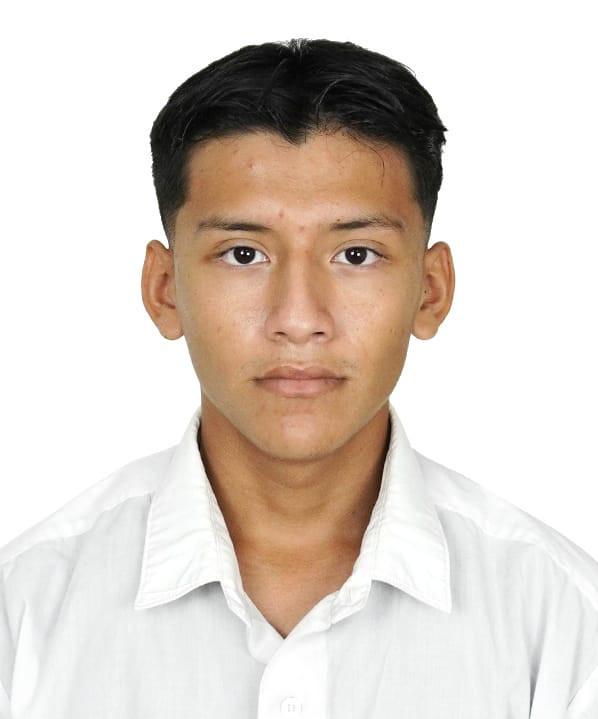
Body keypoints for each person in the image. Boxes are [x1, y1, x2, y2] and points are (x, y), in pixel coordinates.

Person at [0, 37, 596, 719]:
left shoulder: (564, 626)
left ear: (430, 291)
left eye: (356, 254)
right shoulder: (24, 615)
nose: (299, 319)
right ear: (164, 289)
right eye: (244, 253)